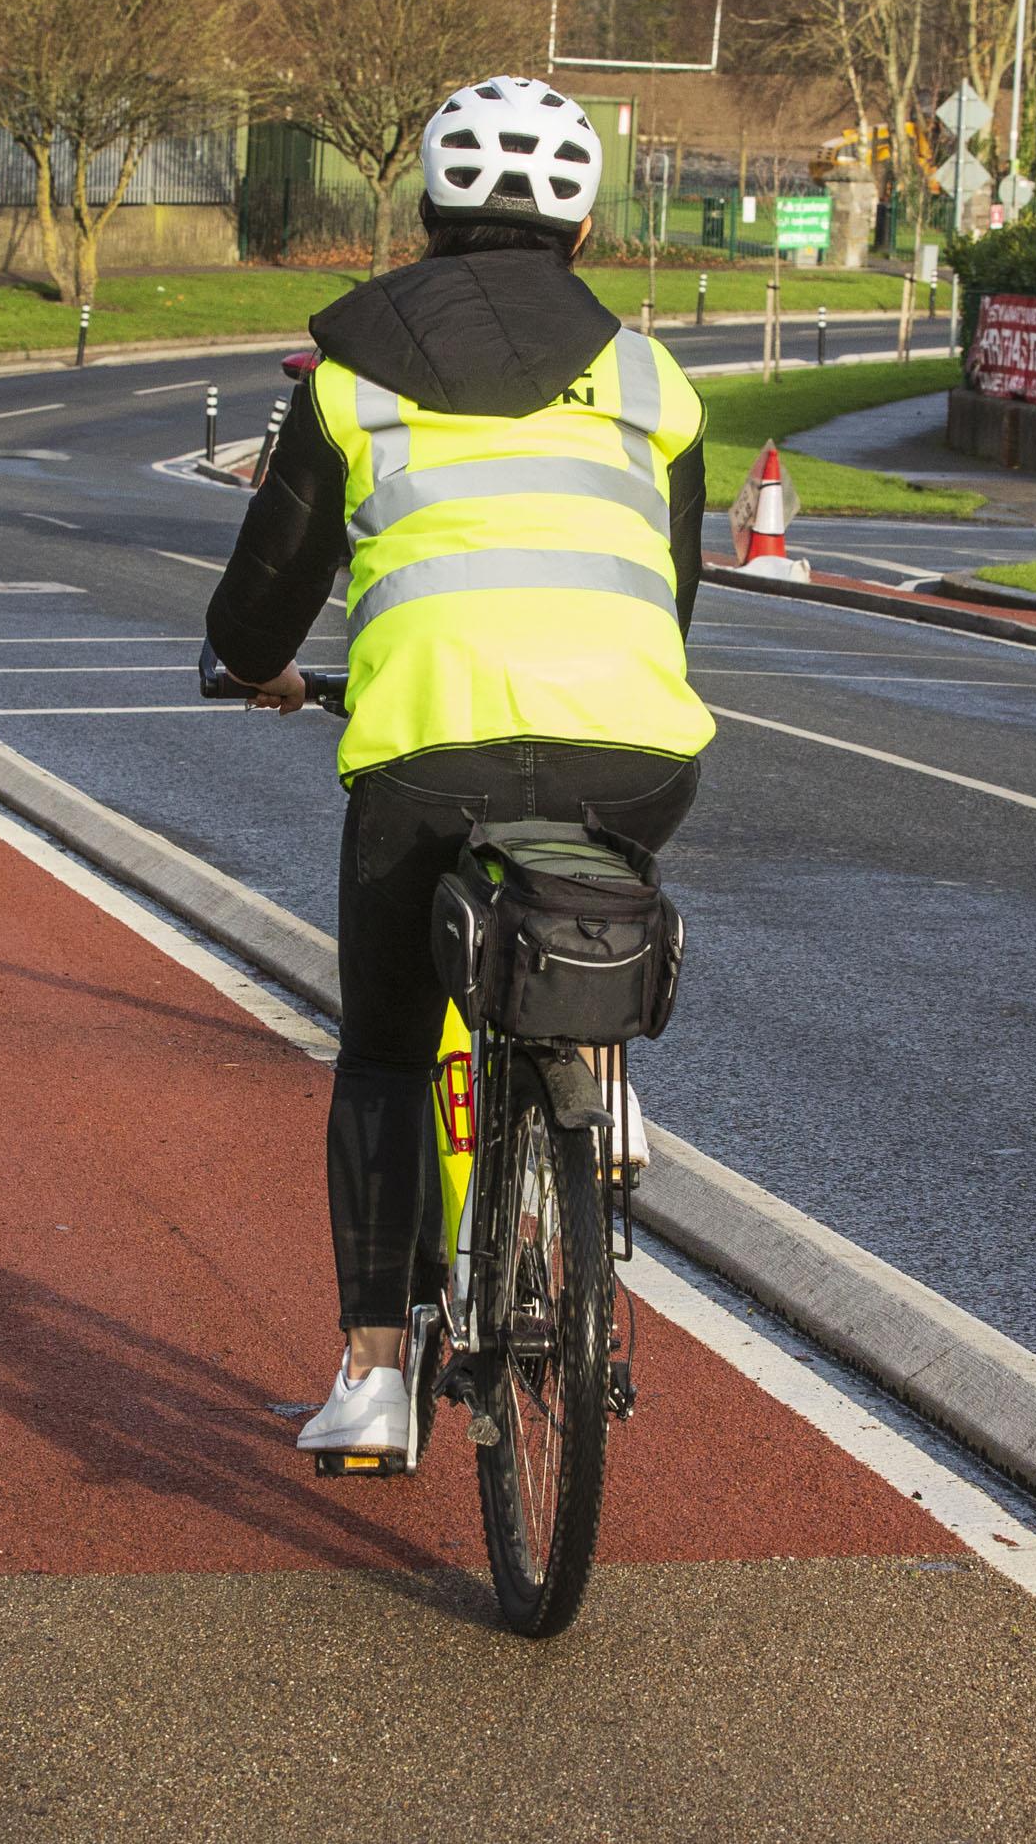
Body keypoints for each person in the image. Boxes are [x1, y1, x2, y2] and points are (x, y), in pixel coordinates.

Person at [205, 76, 712, 1460]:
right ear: (585, 221)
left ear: (424, 206)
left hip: (429, 756)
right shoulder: (656, 381)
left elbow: (256, 610)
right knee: (596, 855)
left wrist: (260, 665)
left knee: (379, 1049)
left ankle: (374, 1371)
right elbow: (663, 596)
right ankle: (593, 1074)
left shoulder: (350, 377)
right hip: (632, 750)